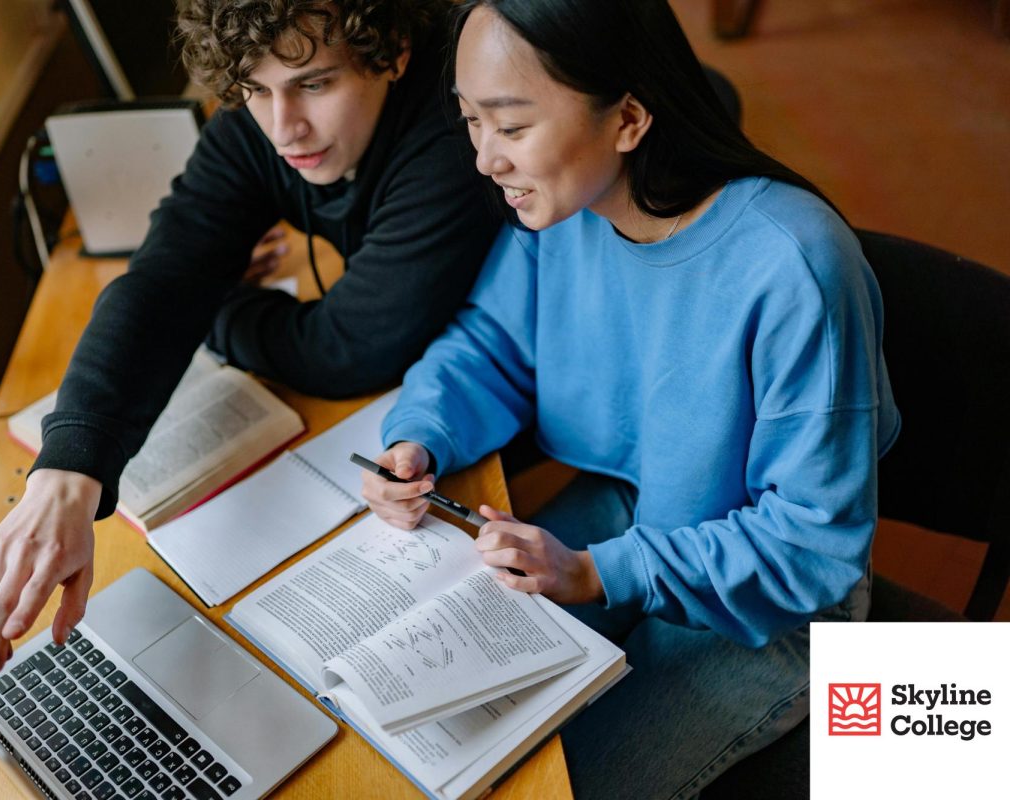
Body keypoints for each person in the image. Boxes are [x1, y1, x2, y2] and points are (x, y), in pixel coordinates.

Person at [360, 1, 900, 797]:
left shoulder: (795, 266)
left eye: (510, 127)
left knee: (553, 781)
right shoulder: (562, 211)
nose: (483, 160)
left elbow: (810, 545)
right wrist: (422, 434)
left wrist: (597, 574)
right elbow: (491, 345)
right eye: (471, 121)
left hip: (773, 603)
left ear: (630, 119)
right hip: (630, 509)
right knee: (425, 712)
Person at [0, 0, 501, 675]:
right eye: (255, 89)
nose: (285, 127)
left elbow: (345, 349)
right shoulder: (265, 125)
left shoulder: (452, 122)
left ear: (393, 53)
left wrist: (215, 298)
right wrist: (66, 474)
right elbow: (161, 282)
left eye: (315, 83)